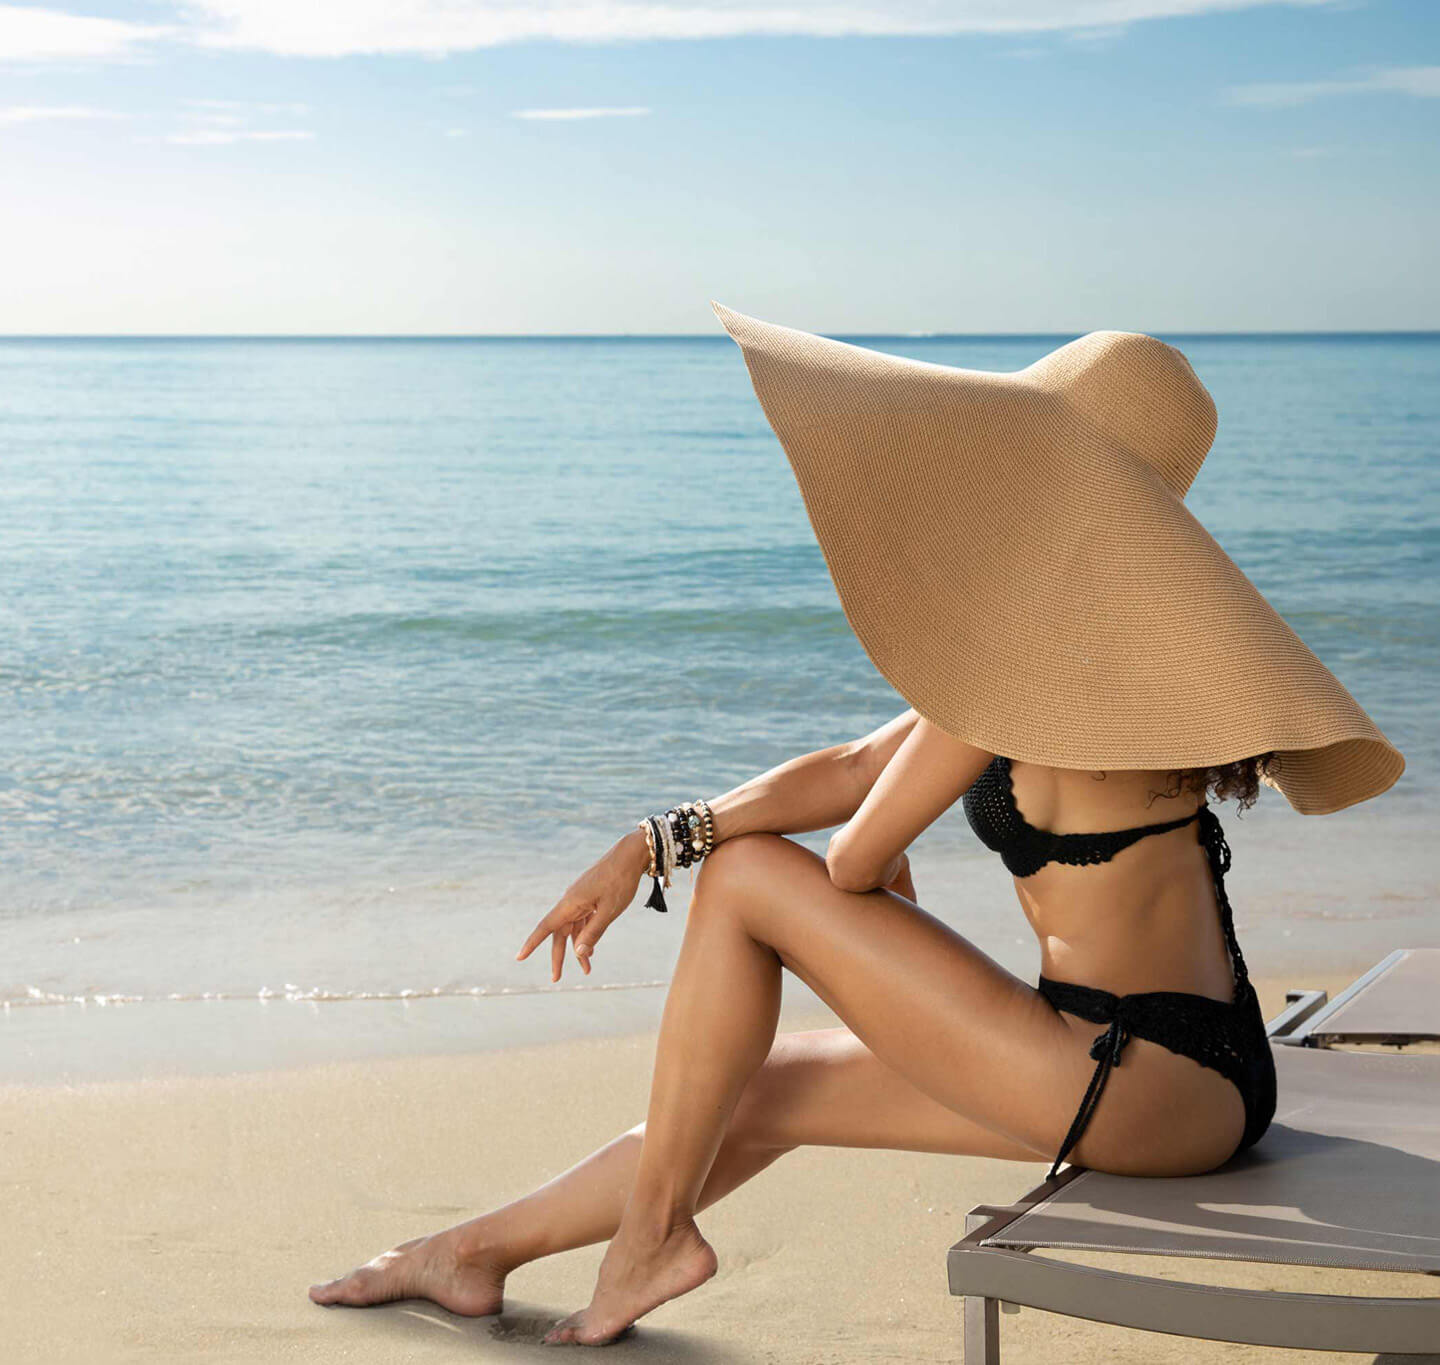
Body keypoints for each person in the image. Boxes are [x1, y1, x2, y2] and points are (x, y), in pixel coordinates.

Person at [308, 305, 1404, 1346]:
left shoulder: (1036, 659)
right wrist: (654, 840)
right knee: (755, 1085)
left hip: (1131, 1080)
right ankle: (469, 1252)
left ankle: (649, 1241)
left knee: (746, 885)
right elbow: (861, 765)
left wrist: (857, 917)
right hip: (1189, 1072)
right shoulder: (1114, 656)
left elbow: (854, 855)